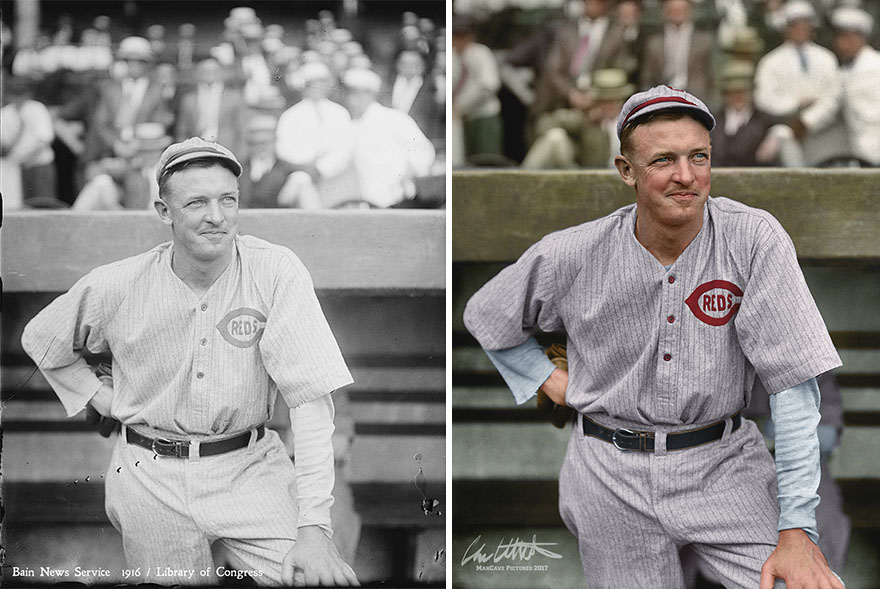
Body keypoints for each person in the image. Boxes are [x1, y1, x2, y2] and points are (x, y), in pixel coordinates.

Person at [463, 85, 845, 589]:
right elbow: (486, 314)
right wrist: (548, 381)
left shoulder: (753, 238)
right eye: (663, 160)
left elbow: (794, 389)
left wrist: (797, 528)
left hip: (724, 464)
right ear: (627, 171)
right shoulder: (573, 252)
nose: (686, 176)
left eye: (699, 157)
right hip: (608, 472)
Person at [21, 137, 359, 588]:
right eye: (197, 202)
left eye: (228, 200)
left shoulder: (276, 271)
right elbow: (42, 338)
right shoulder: (120, 283)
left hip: (249, 468)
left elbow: (312, 403)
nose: (216, 216)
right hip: (149, 473)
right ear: (164, 212)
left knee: (315, 578)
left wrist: (314, 527)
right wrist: (100, 397)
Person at [753, 0, 846, 166]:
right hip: (786, 130)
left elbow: (833, 97)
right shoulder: (770, 62)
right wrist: (795, 104)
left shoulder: (826, 58)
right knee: (795, 174)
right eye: (794, 25)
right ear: (785, 28)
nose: (800, 29)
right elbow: (763, 99)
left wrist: (808, 121)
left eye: (805, 24)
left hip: (823, 132)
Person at [343, 68, 436, 208]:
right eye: (350, 95)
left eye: (359, 95)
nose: (353, 101)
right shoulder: (350, 127)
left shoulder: (394, 118)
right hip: (369, 201)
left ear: (371, 95)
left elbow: (423, 151)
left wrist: (409, 173)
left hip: (401, 198)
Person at [85, 36, 174, 163]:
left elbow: (160, 122)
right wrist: (116, 144)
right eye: (130, 60)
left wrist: (139, 143)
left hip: (144, 153)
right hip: (112, 153)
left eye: (140, 61)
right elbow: (101, 123)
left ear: (147, 63)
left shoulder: (157, 90)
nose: (135, 65)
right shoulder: (110, 88)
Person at [831, 6, 880, 167]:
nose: (842, 44)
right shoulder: (844, 71)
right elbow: (829, 105)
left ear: (860, 39)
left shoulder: (875, 65)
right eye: (840, 38)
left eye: (847, 38)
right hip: (861, 154)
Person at [639, 0, 716, 102]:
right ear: (664, 12)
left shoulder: (705, 40)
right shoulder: (653, 42)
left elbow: (713, 74)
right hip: (662, 96)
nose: (677, 13)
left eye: (681, 10)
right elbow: (646, 77)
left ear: (690, 11)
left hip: (697, 96)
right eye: (673, 10)